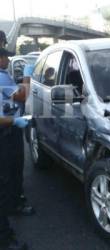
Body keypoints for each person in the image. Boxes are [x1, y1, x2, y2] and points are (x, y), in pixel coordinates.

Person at [0, 48, 29, 250]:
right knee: (5, 179)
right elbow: (21, 96)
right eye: (5, 55)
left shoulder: (4, 75)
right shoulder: (1, 78)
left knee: (10, 175)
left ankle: (12, 204)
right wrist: (27, 77)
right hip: (6, 132)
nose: (8, 59)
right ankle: (5, 239)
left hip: (9, 129)